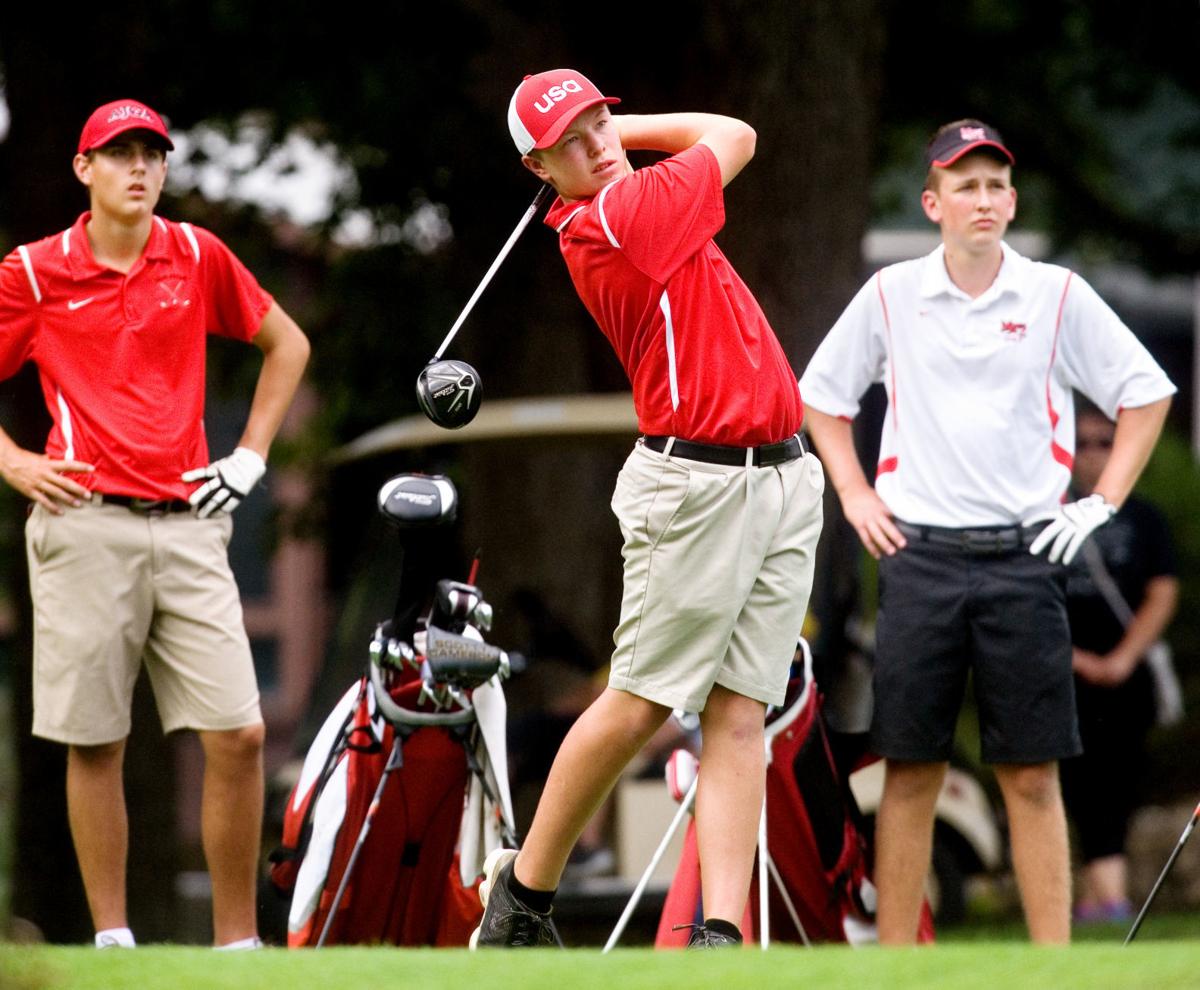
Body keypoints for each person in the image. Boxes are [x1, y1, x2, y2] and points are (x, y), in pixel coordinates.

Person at [470, 69, 825, 949]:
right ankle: (522, 896)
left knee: (742, 712)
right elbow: (736, 131)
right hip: (698, 488)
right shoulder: (620, 217)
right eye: (571, 142)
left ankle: (720, 935)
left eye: (601, 121)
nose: (598, 144)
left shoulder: (626, 193)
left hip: (781, 477)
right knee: (638, 703)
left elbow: (714, 138)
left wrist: (605, 136)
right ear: (540, 170)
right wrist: (632, 140)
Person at [798, 119, 1175, 944]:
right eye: (965, 185)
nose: (984, 199)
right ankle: (900, 964)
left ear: (1013, 201)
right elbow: (820, 397)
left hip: (1024, 559)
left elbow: (1146, 395)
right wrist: (855, 494)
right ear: (932, 203)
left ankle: (1053, 965)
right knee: (910, 774)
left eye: (996, 184)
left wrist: (1102, 502)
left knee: (1033, 776)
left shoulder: (1056, 294)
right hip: (918, 557)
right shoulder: (892, 294)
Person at [0, 99, 311, 948]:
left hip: (188, 527)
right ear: (83, 169)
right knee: (96, 742)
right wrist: (14, 461)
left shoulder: (196, 254)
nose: (140, 168)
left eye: (153, 154)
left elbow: (288, 345)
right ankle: (113, 941)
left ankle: (239, 945)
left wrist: (248, 457)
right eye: (120, 153)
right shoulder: (32, 272)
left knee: (241, 734)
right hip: (82, 525)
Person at [1059, 402, 1179, 924]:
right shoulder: (1049, 513)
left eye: (1104, 442)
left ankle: (1105, 898)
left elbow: (1162, 591)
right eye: (1080, 443)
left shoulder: (1143, 517)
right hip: (1062, 675)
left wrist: (1120, 659)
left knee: (1119, 779)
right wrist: (1074, 659)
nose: (1091, 455)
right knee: (1072, 781)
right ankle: (1102, 898)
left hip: (1125, 678)